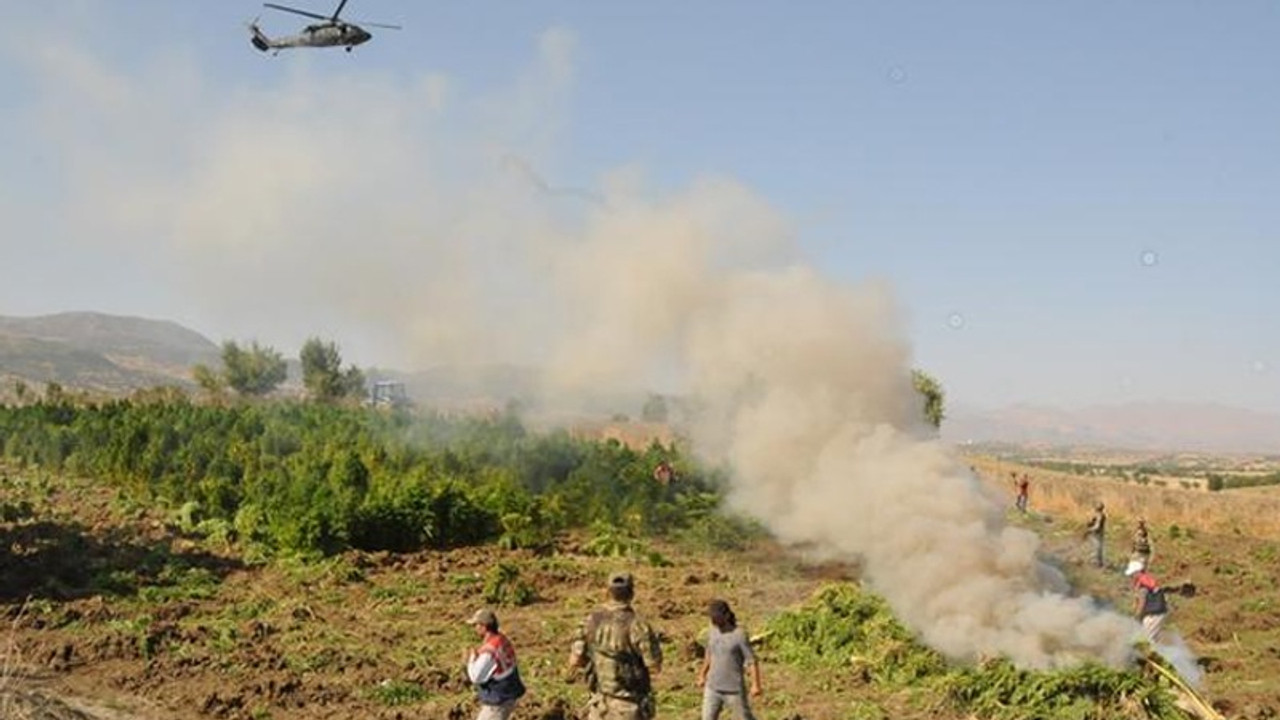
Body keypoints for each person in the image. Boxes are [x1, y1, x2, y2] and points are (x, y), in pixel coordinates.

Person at [568, 572, 663, 720]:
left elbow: (575, 661)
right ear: (632, 593)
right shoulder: (638, 625)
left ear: (607, 592)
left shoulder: (590, 621)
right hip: (628, 706)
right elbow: (654, 666)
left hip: (598, 704)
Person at [697, 600, 762, 720]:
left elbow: (752, 661)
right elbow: (709, 653)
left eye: (717, 618)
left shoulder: (739, 635)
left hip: (733, 690)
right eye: (712, 618)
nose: (714, 621)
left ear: (726, 616)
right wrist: (702, 674)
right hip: (712, 687)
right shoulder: (712, 631)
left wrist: (755, 685)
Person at [464, 608, 526, 720]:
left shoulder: (489, 652)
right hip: (509, 694)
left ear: (483, 627)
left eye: (476, 625)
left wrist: (471, 659)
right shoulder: (502, 639)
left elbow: (476, 677)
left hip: (498, 702)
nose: (475, 629)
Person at [1125, 558, 1168, 643]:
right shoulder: (1147, 580)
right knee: (1153, 638)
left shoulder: (1143, 586)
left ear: (1136, 573)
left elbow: (1142, 603)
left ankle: (1151, 654)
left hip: (1153, 615)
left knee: (1147, 640)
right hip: (1158, 613)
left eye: (1132, 575)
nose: (1131, 577)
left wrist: (1137, 616)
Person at [1084, 502, 1107, 567]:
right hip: (1096, 534)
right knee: (1096, 548)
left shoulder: (1101, 516)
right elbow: (1092, 522)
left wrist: (1089, 530)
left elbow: (1097, 526)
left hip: (1098, 534)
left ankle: (1097, 563)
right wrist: (1089, 524)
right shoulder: (1097, 515)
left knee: (1097, 548)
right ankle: (1096, 562)